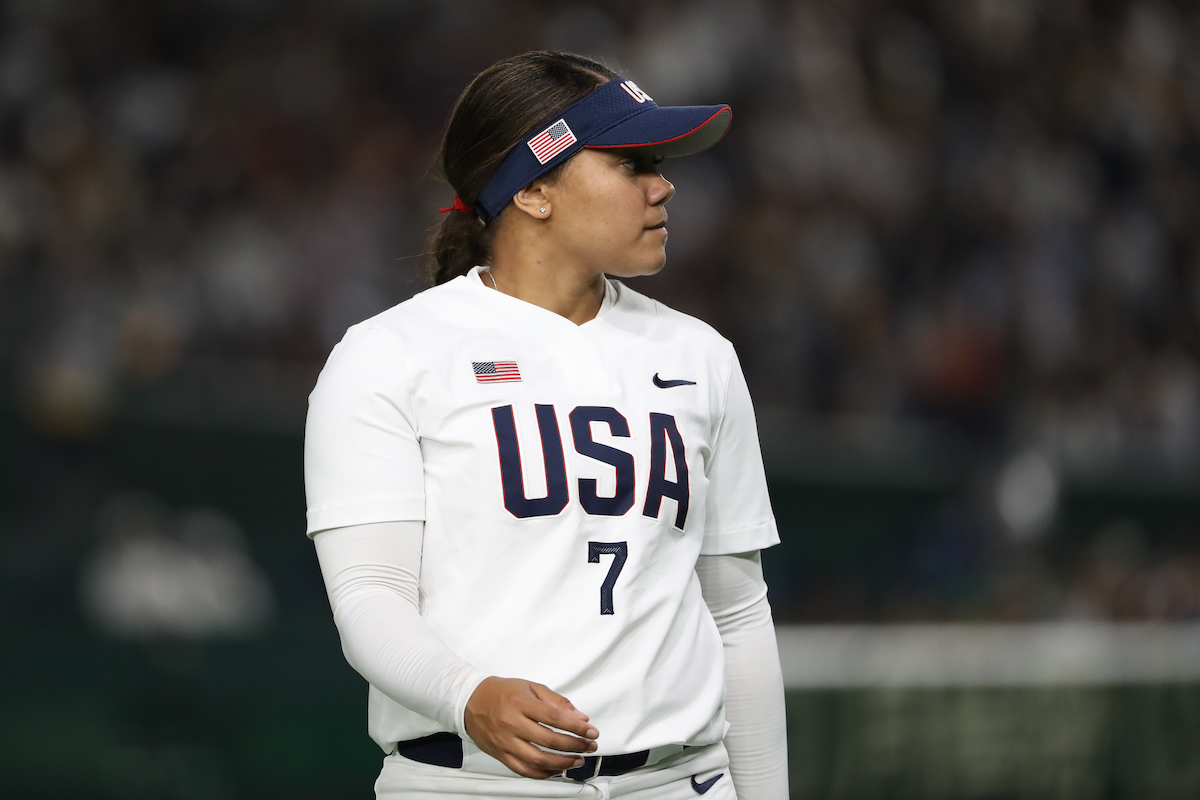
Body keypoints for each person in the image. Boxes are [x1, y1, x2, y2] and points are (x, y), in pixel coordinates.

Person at [304, 51, 788, 800]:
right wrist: (467, 694)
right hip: (469, 784)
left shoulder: (700, 356)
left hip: (681, 781)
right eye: (632, 164)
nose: (663, 186)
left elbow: (736, 612)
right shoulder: (391, 355)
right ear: (533, 188)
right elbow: (370, 594)